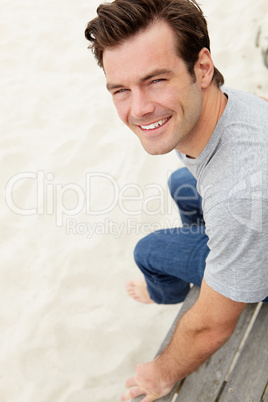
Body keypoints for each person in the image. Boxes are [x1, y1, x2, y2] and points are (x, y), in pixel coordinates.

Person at [85, 0, 268, 400]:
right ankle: (212, 260)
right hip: (248, 218)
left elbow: (211, 327)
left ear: (202, 68)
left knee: (149, 251)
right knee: (180, 184)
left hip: (260, 257)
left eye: (156, 80)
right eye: (121, 89)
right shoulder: (227, 104)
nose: (139, 109)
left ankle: (167, 291)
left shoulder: (241, 194)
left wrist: (161, 373)